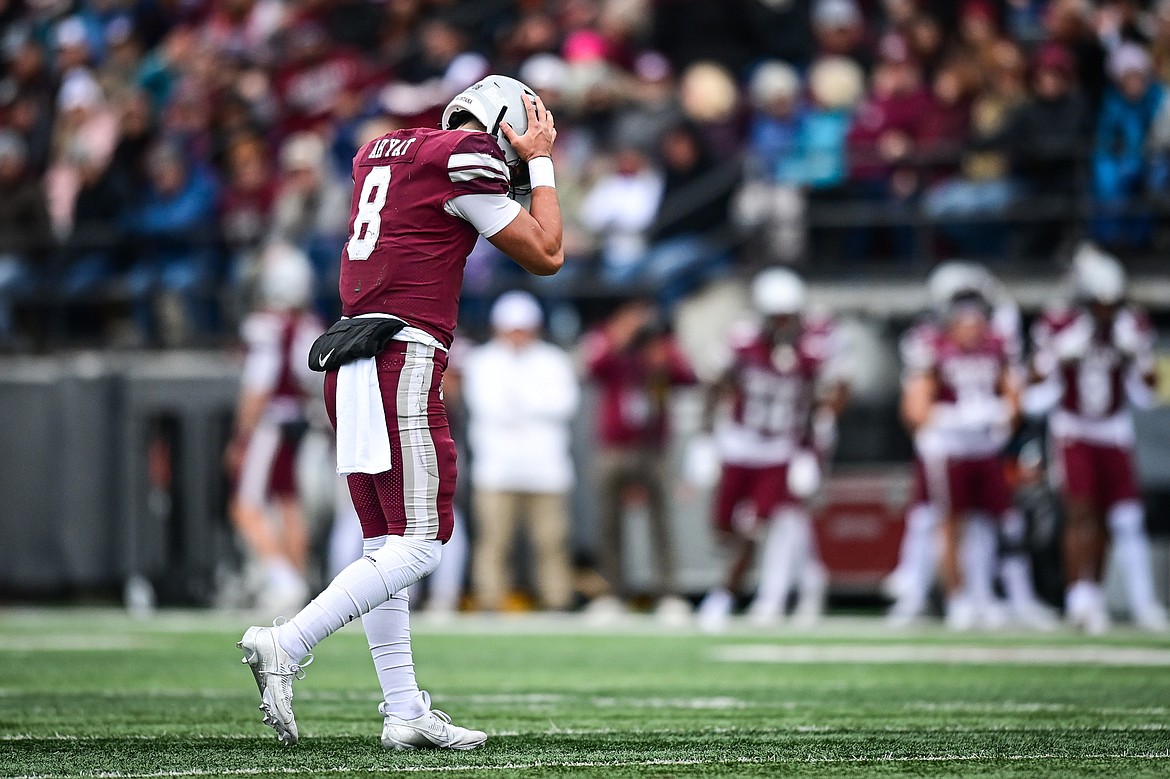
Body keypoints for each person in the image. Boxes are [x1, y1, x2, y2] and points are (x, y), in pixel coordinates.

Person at [237, 76, 564, 750]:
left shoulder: (387, 152)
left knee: (386, 546)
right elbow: (548, 253)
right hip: (401, 356)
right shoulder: (467, 157)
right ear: (501, 126)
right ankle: (285, 641)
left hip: (354, 353)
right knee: (422, 542)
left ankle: (404, 707)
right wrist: (540, 163)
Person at [695, 268, 849, 632]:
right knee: (724, 527)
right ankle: (807, 583)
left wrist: (812, 445)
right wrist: (704, 437)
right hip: (740, 442)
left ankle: (740, 595)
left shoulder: (814, 345)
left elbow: (832, 391)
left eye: (788, 315)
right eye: (776, 316)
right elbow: (715, 384)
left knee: (762, 525)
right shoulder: (742, 340)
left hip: (780, 449)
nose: (783, 324)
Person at [900, 267, 1053, 630]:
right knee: (945, 524)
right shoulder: (929, 344)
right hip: (948, 449)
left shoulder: (997, 342)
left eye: (975, 307)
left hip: (985, 448)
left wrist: (1001, 416)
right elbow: (916, 409)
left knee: (1007, 523)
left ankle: (1017, 598)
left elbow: (1014, 397)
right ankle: (952, 598)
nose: (970, 319)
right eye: (961, 308)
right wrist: (954, 417)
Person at [1027, 244, 1167, 634]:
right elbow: (1035, 387)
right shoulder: (1060, 323)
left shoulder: (1131, 325)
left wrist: (1137, 357)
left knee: (1125, 517)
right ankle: (1080, 599)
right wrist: (1060, 354)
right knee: (1081, 512)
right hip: (1073, 427)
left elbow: (1149, 391)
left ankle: (1141, 602)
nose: (1106, 309)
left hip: (1114, 428)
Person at [462, 290, 579, 612]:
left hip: (547, 470)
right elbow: (486, 406)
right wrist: (531, 404)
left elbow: (565, 404)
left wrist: (519, 404)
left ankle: (557, 602)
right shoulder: (483, 361)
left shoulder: (553, 360)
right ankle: (490, 601)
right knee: (494, 542)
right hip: (497, 469)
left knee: (552, 542)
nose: (517, 336)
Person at [224, 244, 324, 614]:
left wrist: (240, 437)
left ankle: (287, 582)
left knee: (245, 506)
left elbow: (258, 387)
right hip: (299, 422)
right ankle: (296, 579)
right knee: (288, 504)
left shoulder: (266, 327)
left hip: (271, 424)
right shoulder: (310, 325)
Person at [582, 300, 696, 618]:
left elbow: (688, 377)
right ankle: (611, 593)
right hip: (614, 447)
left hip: (652, 446)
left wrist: (664, 356)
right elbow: (593, 368)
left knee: (662, 521)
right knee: (608, 522)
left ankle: (669, 593)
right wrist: (620, 339)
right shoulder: (606, 338)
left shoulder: (660, 345)